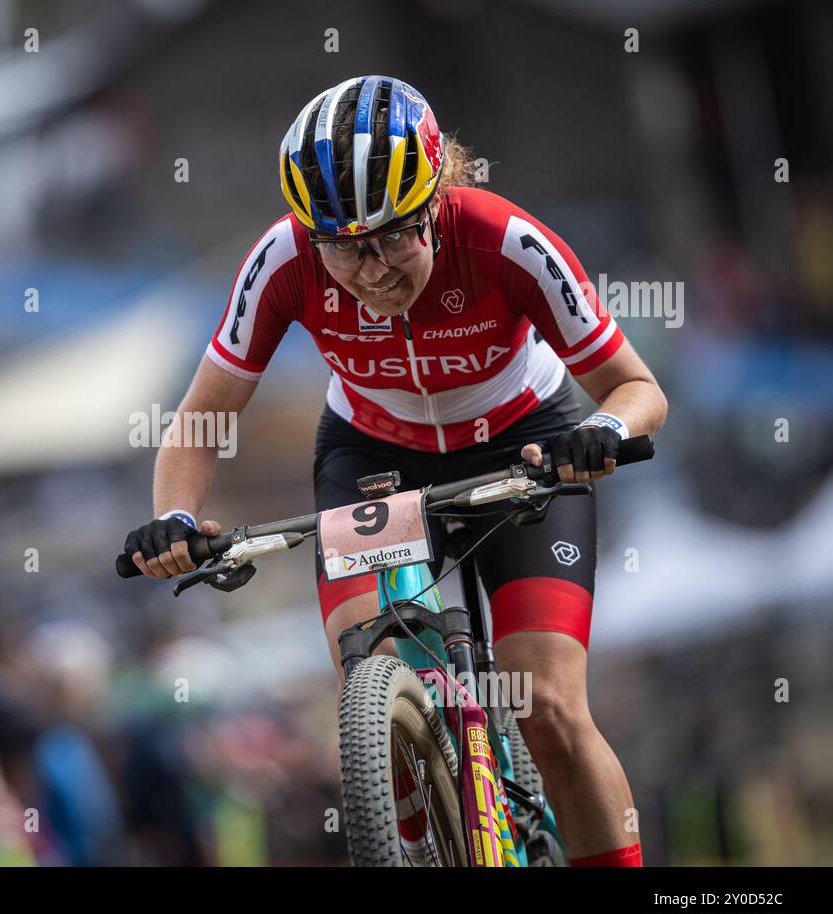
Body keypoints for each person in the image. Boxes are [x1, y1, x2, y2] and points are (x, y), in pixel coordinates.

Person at [121, 76, 667, 867]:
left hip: (524, 445)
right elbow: (203, 416)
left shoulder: (508, 239)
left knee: (546, 706)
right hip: (373, 460)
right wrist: (175, 515)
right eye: (344, 246)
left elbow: (638, 387)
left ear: (437, 199)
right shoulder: (283, 257)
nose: (370, 270)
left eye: (390, 239)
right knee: (367, 684)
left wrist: (604, 431)